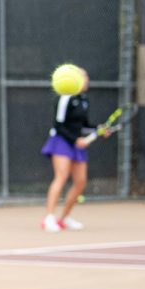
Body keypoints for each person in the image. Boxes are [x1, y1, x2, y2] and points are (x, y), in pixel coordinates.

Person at [39, 65, 109, 232]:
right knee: (61, 177)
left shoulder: (84, 99)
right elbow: (59, 124)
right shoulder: (65, 98)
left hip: (76, 143)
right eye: (84, 77)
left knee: (80, 182)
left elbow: (83, 126)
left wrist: (98, 129)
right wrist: (75, 139)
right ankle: (49, 217)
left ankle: (64, 218)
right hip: (61, 141)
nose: (87, 80)